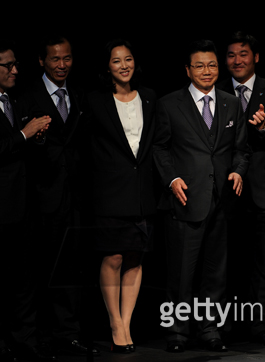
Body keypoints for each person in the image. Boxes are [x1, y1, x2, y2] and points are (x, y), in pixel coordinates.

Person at [153, 39, 249, 354]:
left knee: (216, 274)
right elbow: (160, 147)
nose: (206, 71)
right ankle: (178, 333)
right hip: (186, 200)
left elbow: (241, 149)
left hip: (222, 201)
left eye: (211, 65)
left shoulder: (231, 102)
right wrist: (172, 178)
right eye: (199, 65)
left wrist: (237, 170)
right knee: (181, 273)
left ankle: (212, 330)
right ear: (187, 70)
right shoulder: (169, 104)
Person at [17, 34, 99, 357]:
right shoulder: (26, 96)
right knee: (40, 268)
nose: (62, 65)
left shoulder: (79, 95)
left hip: (76, 197)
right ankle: (42, 335)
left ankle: (70, 332)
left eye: (67, 58)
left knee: (72, 266)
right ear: (41, 61)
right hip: (39, 197)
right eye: (55, 59)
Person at [84, 39, 158, 354]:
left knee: (135, 257)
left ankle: (127, 322)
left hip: (143, 191)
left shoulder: (151, 98)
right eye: (117, 61)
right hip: (109, 192)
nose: (124, 65)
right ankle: (114, 321)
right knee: (113, 256)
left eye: (128, 59)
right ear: (108, 67)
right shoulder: (95, 101)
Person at [217, 31, 265, 346]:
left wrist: (264, 127)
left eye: (243, 54)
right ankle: (226, 324)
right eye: (231, 55)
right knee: (227, 261)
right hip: (225, 188)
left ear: (255, 57)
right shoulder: (213, 90)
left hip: (263, 188)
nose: (237, 60)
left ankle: (262, 325)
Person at [0, 39, 51, 362]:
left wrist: (35, 138)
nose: (15, 70)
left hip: (22, 207)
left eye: (15, 64)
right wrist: (23, 134)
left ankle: (26, 344)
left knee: (24, 281)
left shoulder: (13, 101)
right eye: (8, 65)